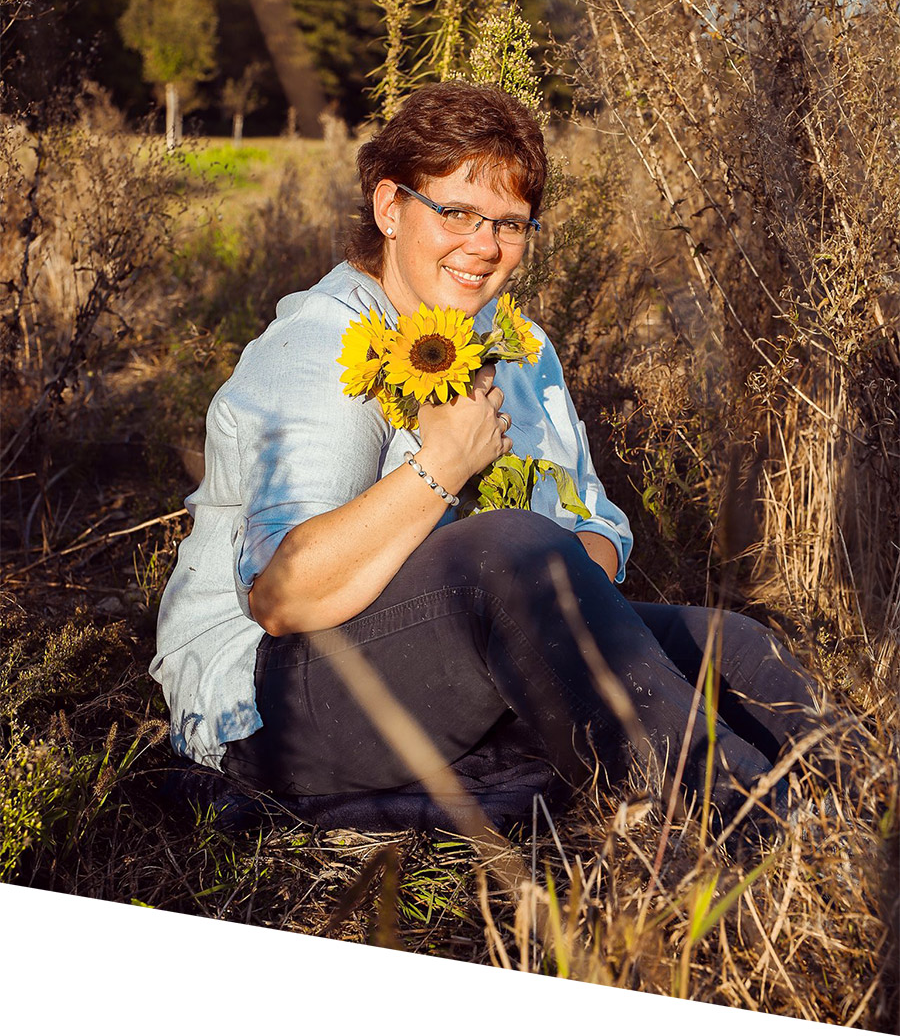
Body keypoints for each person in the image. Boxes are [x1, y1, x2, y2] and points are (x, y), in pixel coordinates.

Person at [151, 81, 831, 839]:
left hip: (454, 654)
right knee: (507, 550)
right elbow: (283, 597)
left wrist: (557, 585)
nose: (484, 246)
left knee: (730, 643)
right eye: (458, 213)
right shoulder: (322, 345)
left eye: (510, 224)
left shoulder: (520, 345)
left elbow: (593, 523)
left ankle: (864, 808)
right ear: (390, 208)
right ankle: (749, 826)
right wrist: (441, 470)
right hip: (269, 707)